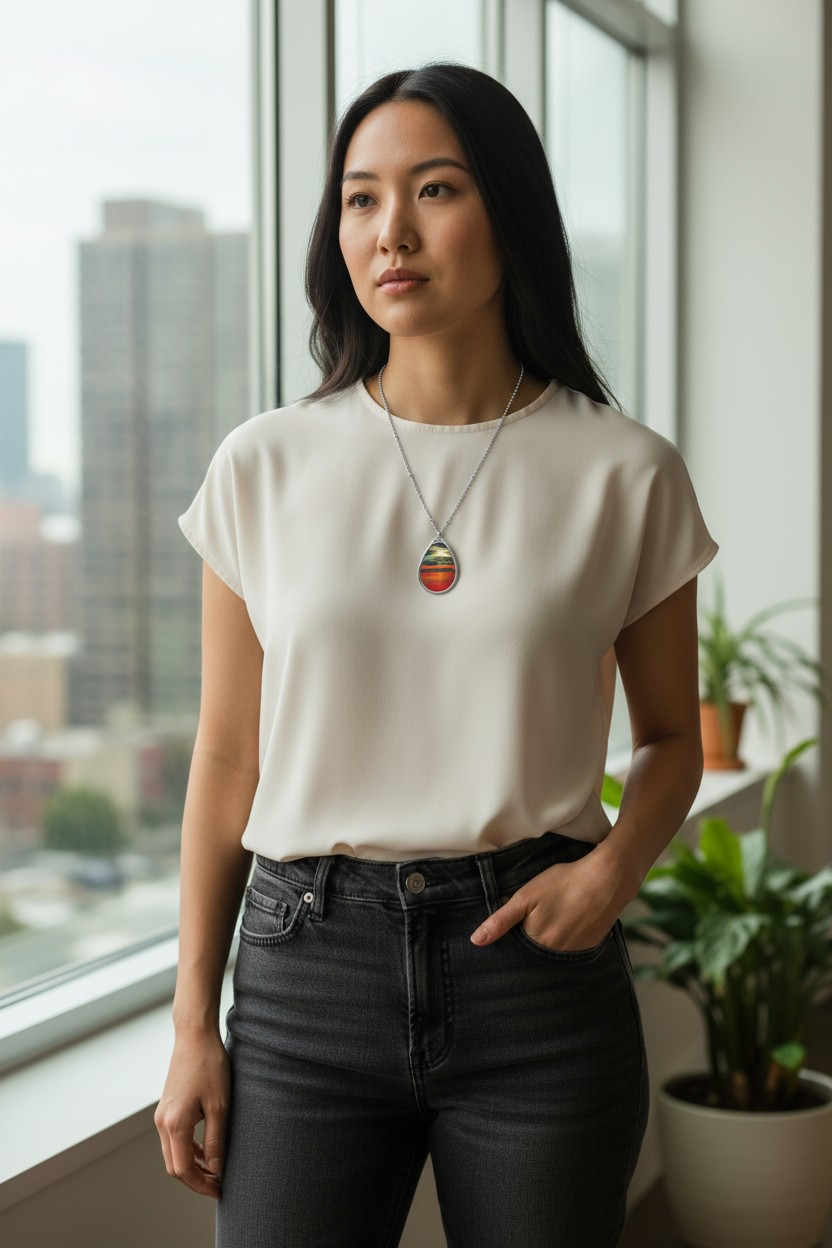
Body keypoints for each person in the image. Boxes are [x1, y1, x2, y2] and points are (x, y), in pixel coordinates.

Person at [155, 60, 718, 1248]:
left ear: (509, 213)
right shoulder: (263, 465)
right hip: (307, 974)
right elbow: (225, 757)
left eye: (435, 189)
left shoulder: (625, 471)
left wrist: (610, 875)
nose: (390, 232)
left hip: (536, 979)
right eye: (359, 199)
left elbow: (671, 739)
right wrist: (193, 1022)